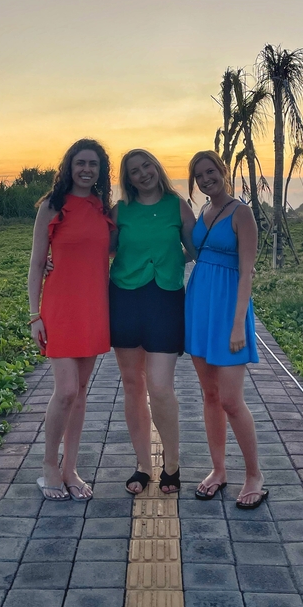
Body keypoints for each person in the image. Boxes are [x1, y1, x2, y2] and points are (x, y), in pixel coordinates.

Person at [27, 138, 114, 501]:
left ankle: (70, 470)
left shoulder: (103, 208)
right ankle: (49, 466)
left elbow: (110, 253)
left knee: (79, 393)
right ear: (69, 166)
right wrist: (34, 315)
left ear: (100, 170)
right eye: (80, 162)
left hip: (94, 308)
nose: (86, 169)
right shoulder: (51, 206)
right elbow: (35, 263)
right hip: (60, 308)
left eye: (93, 164)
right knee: (64, 391)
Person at [109, 149, 196, 495]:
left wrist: (173, 257)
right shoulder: (121, 211)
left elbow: (196, 249)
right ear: (127, 179)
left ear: (157, 168)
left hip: (165, 299)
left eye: (147, 166)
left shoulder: (178, 206)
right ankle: (143, 465)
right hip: (125, 299)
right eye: (134, 171)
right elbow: (104, 249)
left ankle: (171, 464)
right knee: (133, 385)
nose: (143, 174)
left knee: (160, 387)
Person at [185, 150, 267, 509]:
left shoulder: (242, 213)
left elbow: (247, 272)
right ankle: (218, 471)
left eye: (210, 172)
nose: (206, 179)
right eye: (199, 176)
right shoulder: (202, 213)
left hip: (229, 313)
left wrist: (238, 325)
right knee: (210, 396)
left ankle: (254, 476)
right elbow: (191, 253)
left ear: (223, 171)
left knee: (232, 400)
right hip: (199, 308)